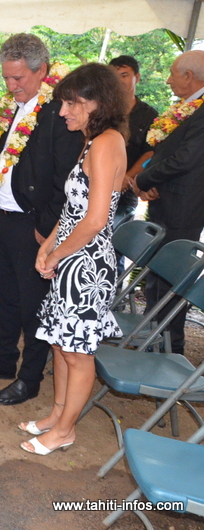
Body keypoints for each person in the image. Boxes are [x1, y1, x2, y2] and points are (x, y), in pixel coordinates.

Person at [0, 34, 85, 405]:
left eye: (19, 79)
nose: (11, 86)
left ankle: (29, 378)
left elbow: (65, 180)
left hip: (31, 225)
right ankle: (3, 360)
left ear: (42, 71)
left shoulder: (58, 113)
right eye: (6, 78)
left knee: (34, 305)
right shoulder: (9, 106)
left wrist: (44, 229)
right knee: (3, 296)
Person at [20, 63, 127, 455]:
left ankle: (65, 430)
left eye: (71, 102)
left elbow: (96, 220)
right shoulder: (91, 139)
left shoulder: (106, 142)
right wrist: (47, 246)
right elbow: (72, 210)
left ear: (96, 102)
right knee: (60, 343)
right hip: (70, 258)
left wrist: (58, 254)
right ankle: (58, 414)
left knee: (77, 352)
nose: (63, 111)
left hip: (87, 266)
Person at [134, 50, 204, 354]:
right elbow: (161, 153)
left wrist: (143, 180)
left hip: (183, 208)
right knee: (155, 275)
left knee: (172, 279)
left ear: (189, 76)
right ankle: (150, 337)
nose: (167, 79)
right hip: (164, 202)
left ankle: (169, 349)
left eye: (173, 73)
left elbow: (185, 158)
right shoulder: (186, 108)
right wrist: (148, 178)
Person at [107, 55, 159, 276]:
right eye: (114, 76)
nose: (119, 81)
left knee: (113, 245)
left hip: (124, 192)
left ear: (137, 77)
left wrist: (126, 178)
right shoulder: (102, 109)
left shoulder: (149, 114)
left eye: (125, 75)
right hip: (94, 186)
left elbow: (151, 151)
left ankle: (110, 297)